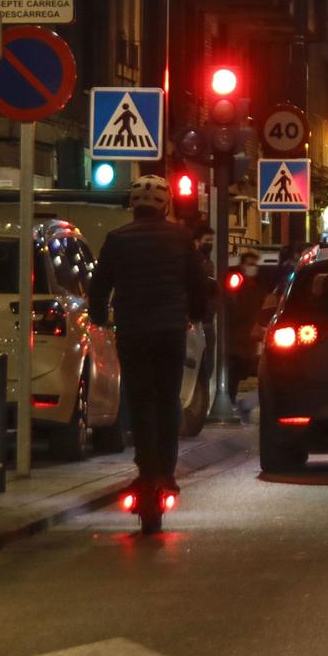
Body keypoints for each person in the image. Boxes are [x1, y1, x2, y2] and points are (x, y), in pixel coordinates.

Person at [89, 175, 213, 492]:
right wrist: (197, 314)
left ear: (133, 205)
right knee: (167, 400)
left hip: (133, 332)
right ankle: (166, 473)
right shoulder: (180, 238)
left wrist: (100, 318)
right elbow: (197, 283)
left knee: (141, 400)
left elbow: (99, 286)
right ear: (165, 204)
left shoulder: (116, 238)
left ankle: (146, 470)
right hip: (170, 332)